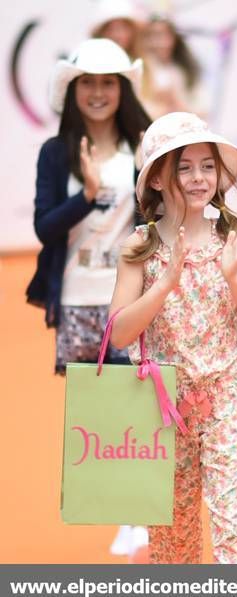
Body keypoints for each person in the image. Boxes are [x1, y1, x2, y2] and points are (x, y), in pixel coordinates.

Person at [108, 112, 237, 563]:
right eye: (184, 167)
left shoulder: (233, 235)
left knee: (234, 533)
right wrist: (164, 282)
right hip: (162, 409)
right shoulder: (139, 246)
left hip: (229, 400)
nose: (199, 177)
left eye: (207, 165)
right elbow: (120, 330)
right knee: (173, 543)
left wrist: (234, 277)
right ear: (158, 179)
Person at [24, 38, 151, 558]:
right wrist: (86, 196)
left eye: (108, 83)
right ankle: (121, 514)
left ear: (122, 89)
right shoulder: (56, 153)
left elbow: (155, 219)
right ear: (73, 90)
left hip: (127, 293)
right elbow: (44, 228)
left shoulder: (143, 146)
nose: (98, 93)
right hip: (76, 299)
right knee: (100, 414)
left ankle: (140, 513)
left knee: (137, 403)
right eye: (88, 84)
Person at [139, 14, 209, 119]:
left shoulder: (186, 71)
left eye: (162, 35)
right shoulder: (141, 70)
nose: (158, 43)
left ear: (173, 38)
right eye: (151, 36)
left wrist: (175, 101)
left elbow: (203, 110)